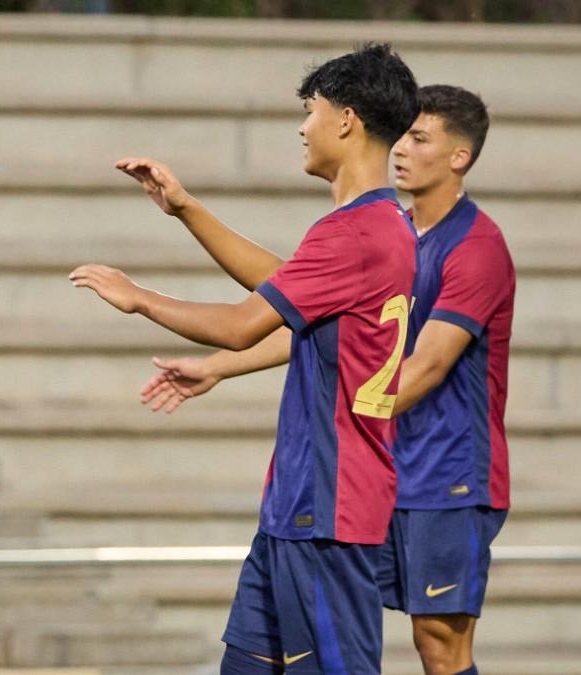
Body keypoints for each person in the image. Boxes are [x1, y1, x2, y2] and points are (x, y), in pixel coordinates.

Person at [71, 43, 419, 673]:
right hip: (295, 509)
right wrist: (186, 209)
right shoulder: (378, 227)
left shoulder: (353, 234)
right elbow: (287, 289)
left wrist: (141, 298)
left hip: (327, 514)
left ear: (346, 120)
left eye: (311, 110)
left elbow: (240, 326)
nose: (302, 127)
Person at [140, 84, 510, 675]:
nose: (403, 149)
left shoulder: (470, 246)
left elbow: (427, 363)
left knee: (438, 644)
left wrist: (139, 298)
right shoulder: (389, 230)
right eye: (405, 134)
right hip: (353, 472)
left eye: (420, 137)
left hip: (436, 473)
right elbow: (309, 312)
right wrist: (221, 366)